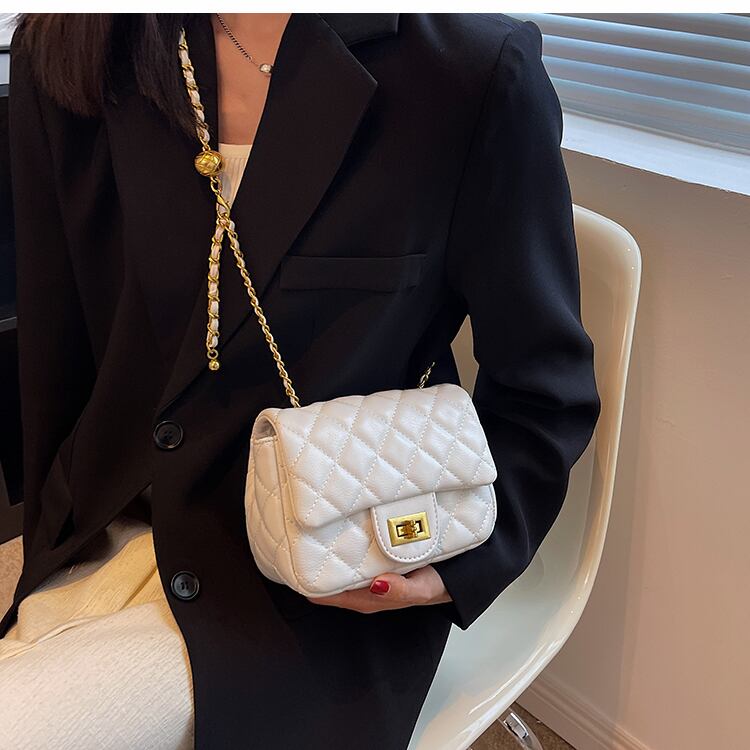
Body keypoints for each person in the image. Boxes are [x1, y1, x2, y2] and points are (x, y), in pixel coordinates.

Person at [0, 12, 601, 750]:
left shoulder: (469, 71)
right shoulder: (71, 48)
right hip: (114, 525)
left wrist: (458, 566)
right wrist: (49, 546)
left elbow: (546, 391)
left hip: (317, 572)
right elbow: (56, 357)